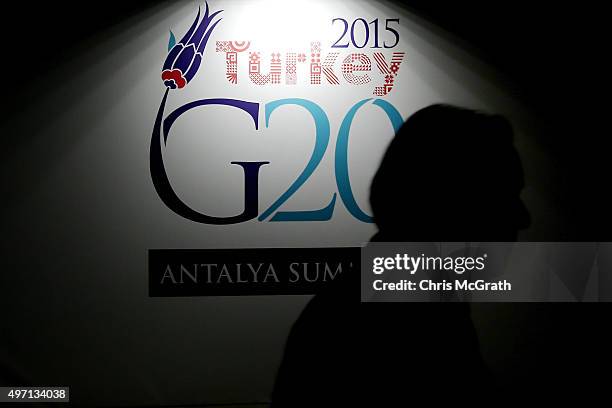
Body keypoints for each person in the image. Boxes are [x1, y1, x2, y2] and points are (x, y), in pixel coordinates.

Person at [271, 104, 530, 407]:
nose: (523, 218)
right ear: (448, 201)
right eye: (503, 196)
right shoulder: (408, 320)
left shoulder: (413, 306)